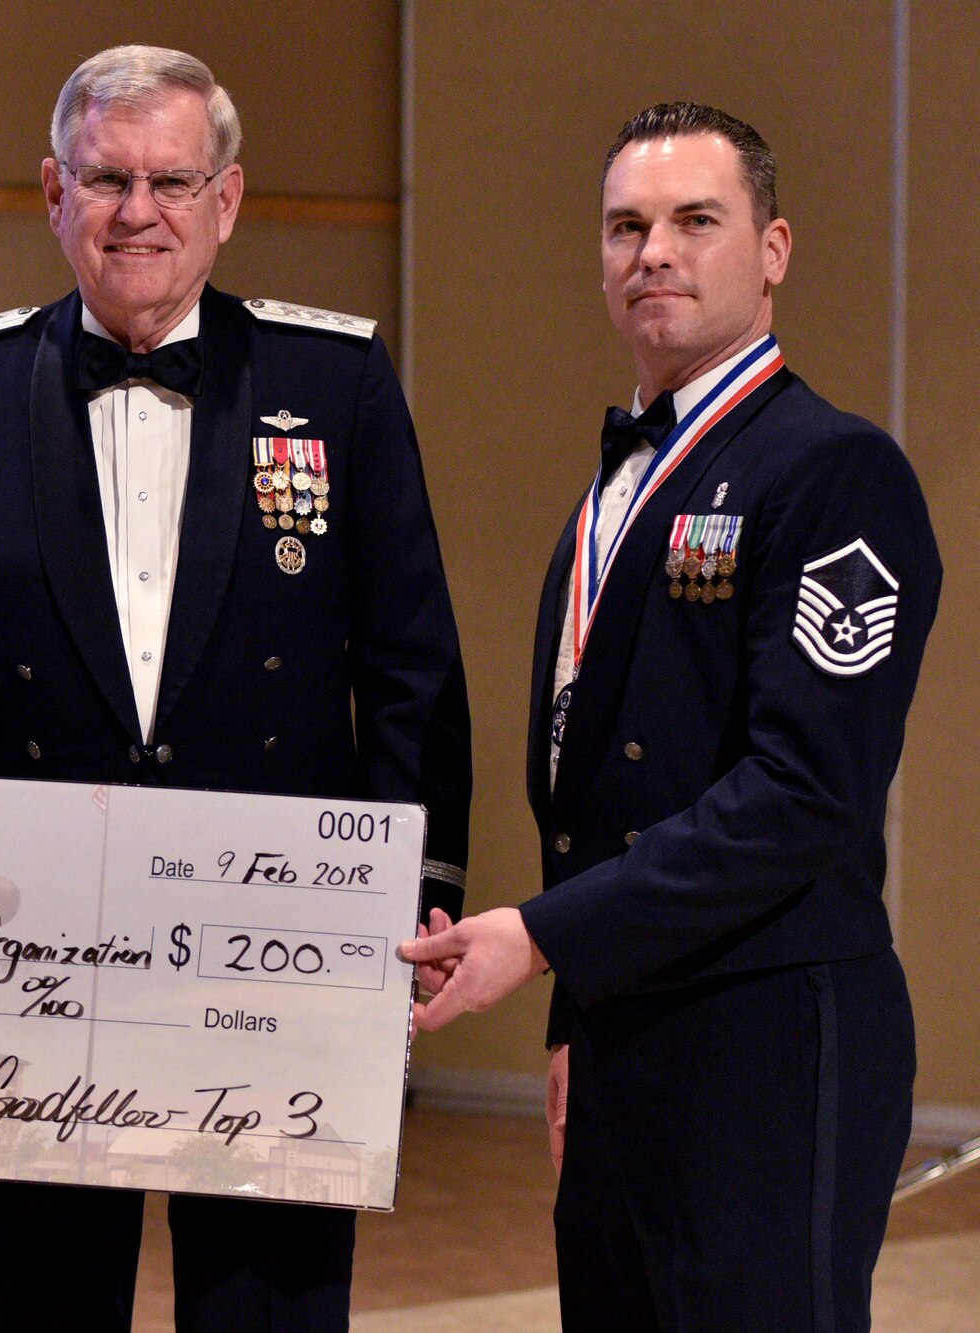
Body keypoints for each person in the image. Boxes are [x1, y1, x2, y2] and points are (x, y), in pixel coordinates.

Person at [0, 44, 470, 1332]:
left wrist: (415, 907)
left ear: (225, 201)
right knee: (34, 1305)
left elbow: (409, 668)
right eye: (106, 179)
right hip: (25, 961)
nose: (138, 213)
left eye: (170, 180)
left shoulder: (330, 383)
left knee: (268, 1310)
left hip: (274, 953)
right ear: (52, 195)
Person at [399, 104, 940, 1330]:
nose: (653, 251)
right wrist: (575, 1013)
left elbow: (802, 792)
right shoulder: (618, 484)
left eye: (696, 220)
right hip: (625, 1032)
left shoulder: (833, 471)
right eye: (624, 226)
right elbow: (595, 804)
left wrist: (539, 939)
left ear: (772, 249)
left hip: (766, 1043)